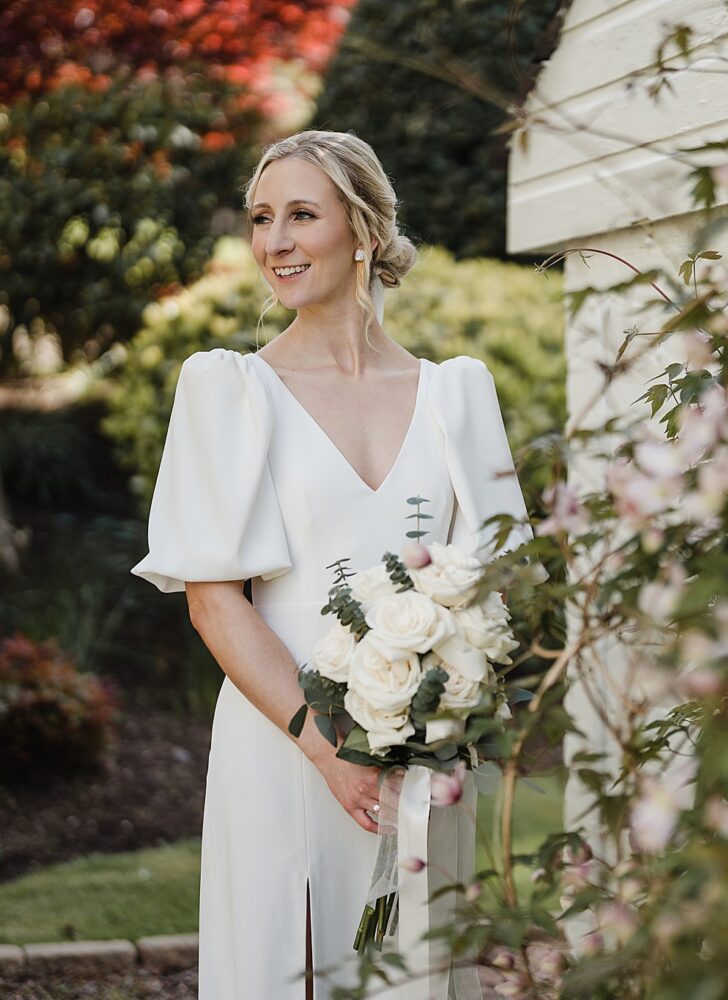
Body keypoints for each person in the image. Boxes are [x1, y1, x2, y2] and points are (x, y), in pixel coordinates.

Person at [131, 130, 535, 999]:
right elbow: (215, 603)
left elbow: (504, 593)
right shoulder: (228, 392)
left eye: (301, 215)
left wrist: (455, 714)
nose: (274, 241)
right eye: (261, 218)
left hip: (425, 768)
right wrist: (327, 749)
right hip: (283, 746)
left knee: (420, 975)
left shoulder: (457, 395)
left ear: (363, 230)